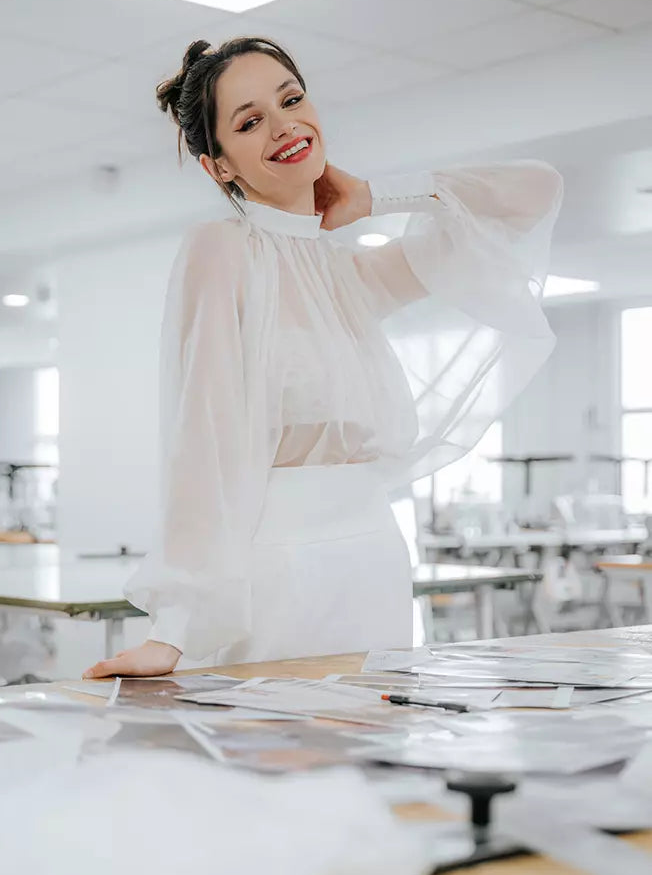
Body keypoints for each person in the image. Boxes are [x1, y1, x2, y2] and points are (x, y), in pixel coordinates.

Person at [83, 36, 563, 680]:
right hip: (279, 569)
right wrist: (171, 631)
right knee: (278, 741)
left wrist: (376, 195)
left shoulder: (346, 273)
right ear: (218, 167)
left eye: (291, 100)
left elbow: (538, 192)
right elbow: (204, 437)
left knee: (378, 738)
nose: (284, 126)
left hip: (376, 559)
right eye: (249, 122)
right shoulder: (220, 250)